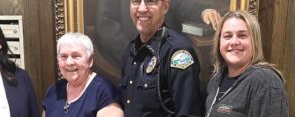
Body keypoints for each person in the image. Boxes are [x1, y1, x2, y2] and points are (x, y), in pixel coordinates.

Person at [93, 0, 225, 78]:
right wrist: (135, 58)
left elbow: (181, 5)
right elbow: (106, 26)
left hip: (168, 57)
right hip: (129, 61)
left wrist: (204, 11)